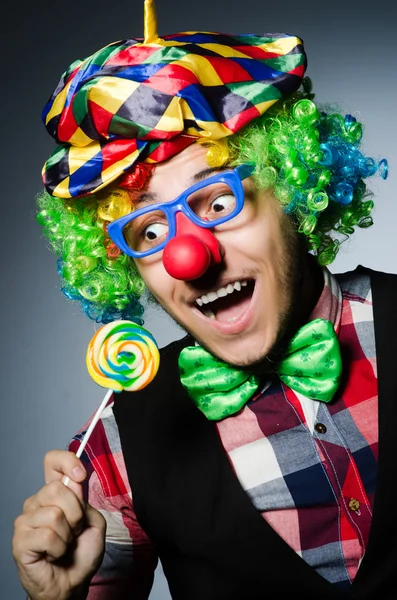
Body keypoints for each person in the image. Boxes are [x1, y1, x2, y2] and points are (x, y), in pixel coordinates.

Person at [12, 0, 395, 598]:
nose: (189, 256)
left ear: (293, 190)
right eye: (150, 233)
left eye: (217, 202)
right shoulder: (113, 450)